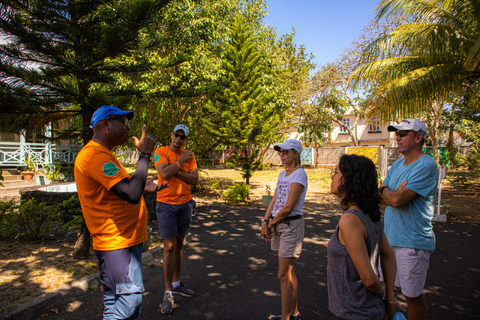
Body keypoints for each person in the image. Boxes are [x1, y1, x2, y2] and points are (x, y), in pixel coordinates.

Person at [74, 105, 167, 320]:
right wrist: (144, 154)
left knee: (127, 303)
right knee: (125, 304)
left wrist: (142, 183)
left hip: (125, 241)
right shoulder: (94, 155)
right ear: (106, 124)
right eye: (124, 122)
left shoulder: (105, 155)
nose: (128, 127)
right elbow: (131, 194)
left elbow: (123, 189)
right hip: (115, 243)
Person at [327, 154, 402, 320]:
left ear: (349, 179)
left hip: (355, 311)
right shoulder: (371, 215)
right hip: (369, 309)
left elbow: (368, 279)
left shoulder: (350, 220)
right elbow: (388, 254)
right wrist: (390, 297)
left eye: (336, 171)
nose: (332, 176)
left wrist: (383, 293)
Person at [380, 119, 439, 320]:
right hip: (389, 240)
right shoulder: (397, 164)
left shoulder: (427, 166)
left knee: (412, 297)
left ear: (418, 137)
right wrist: (387, 191)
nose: (397, 137)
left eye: (403, 134)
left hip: (412, 243)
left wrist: (389, 192)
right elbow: (381, 191)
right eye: (396, 133)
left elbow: (396, 200)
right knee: (386, 293)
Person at [260, 139, 308, 320]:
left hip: (290, 226)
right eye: (280, 151)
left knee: (283, 274)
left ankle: (285, 317)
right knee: (289, 272)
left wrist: (270, 224)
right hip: (278, 224)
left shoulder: (299, 174)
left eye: (286, 152)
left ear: (296, 154)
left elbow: (288, 207)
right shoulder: (282, 174)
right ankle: (294, 313)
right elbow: (275, 200)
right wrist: (265, 220)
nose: (282, 154)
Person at [154, 124, 198, 315]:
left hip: (185, 204)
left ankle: (177, 283)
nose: (179, 139)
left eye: (182, 137)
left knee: (179, 244)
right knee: (168, 247)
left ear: (185, 139)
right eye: (176, 135)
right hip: (166, 205)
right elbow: (163, 174)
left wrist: (174, 170)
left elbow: (195, 179)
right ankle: (167, 292)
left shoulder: (191, 155)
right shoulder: (160, 151)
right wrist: (180, 162)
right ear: (171, 135)